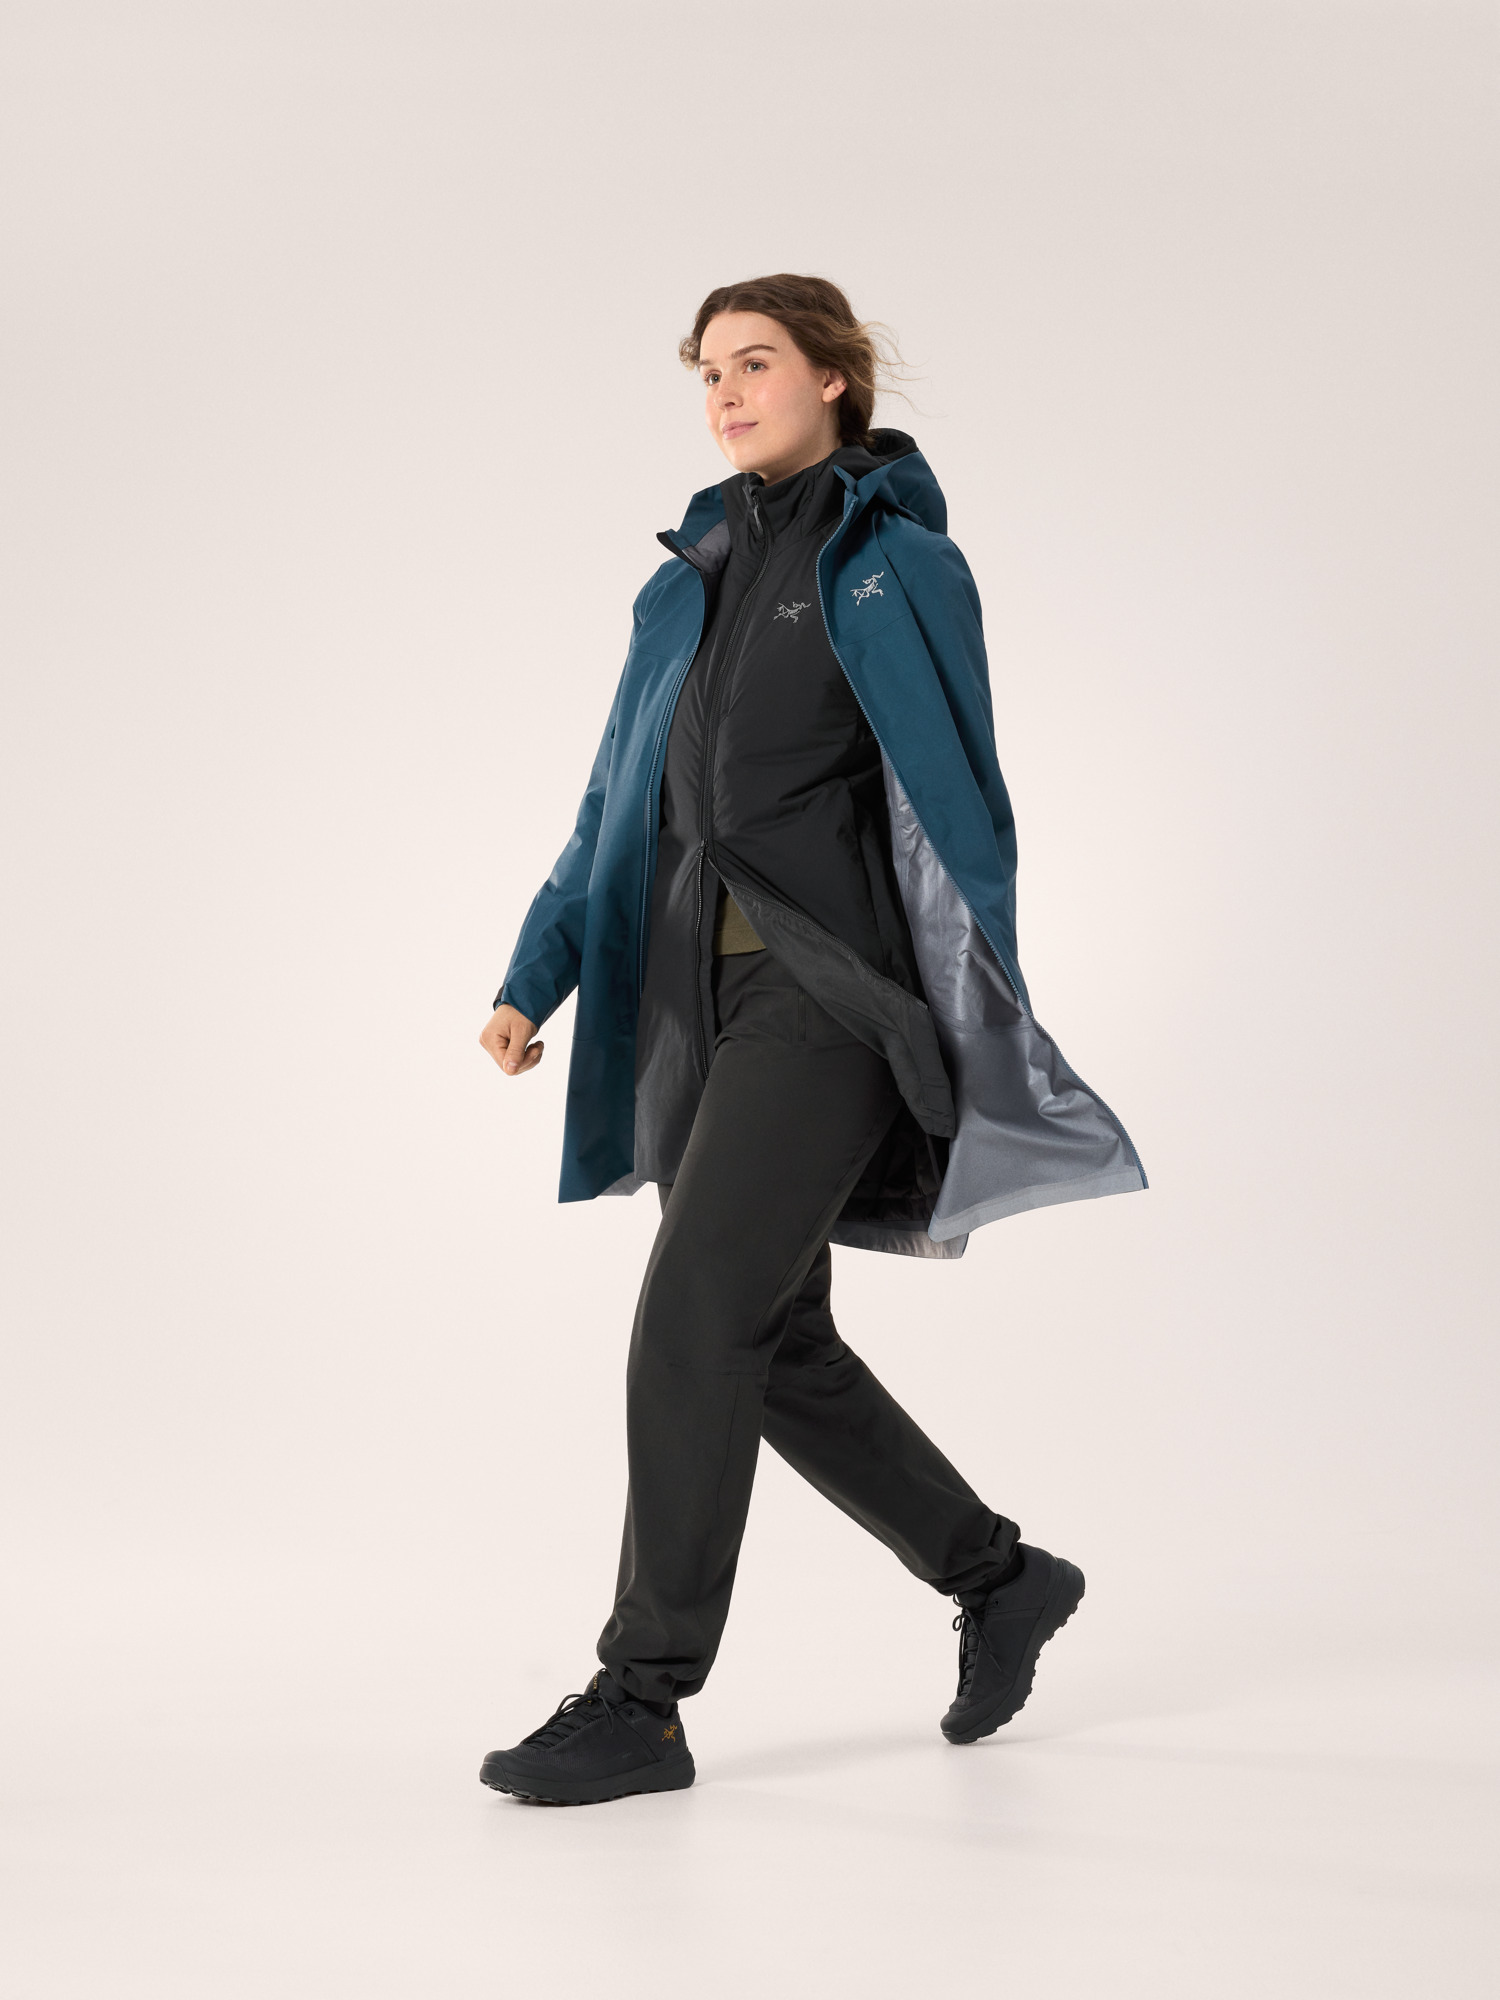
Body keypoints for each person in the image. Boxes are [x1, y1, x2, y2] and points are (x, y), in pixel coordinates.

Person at [477, 274, 1145, 1807]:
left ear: (835, 378)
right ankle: (1000, 1577)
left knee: (690, 1316)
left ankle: (643, 1699)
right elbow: (616, 805)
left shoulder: (894, 564)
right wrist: (537, 972)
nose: (723, 392)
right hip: (696, 1009)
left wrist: (976, 1008)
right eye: (707, 370)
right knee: (769, 1342)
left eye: (755, 362)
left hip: (830, 1000)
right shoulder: (684, 583)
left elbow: (963, 801)